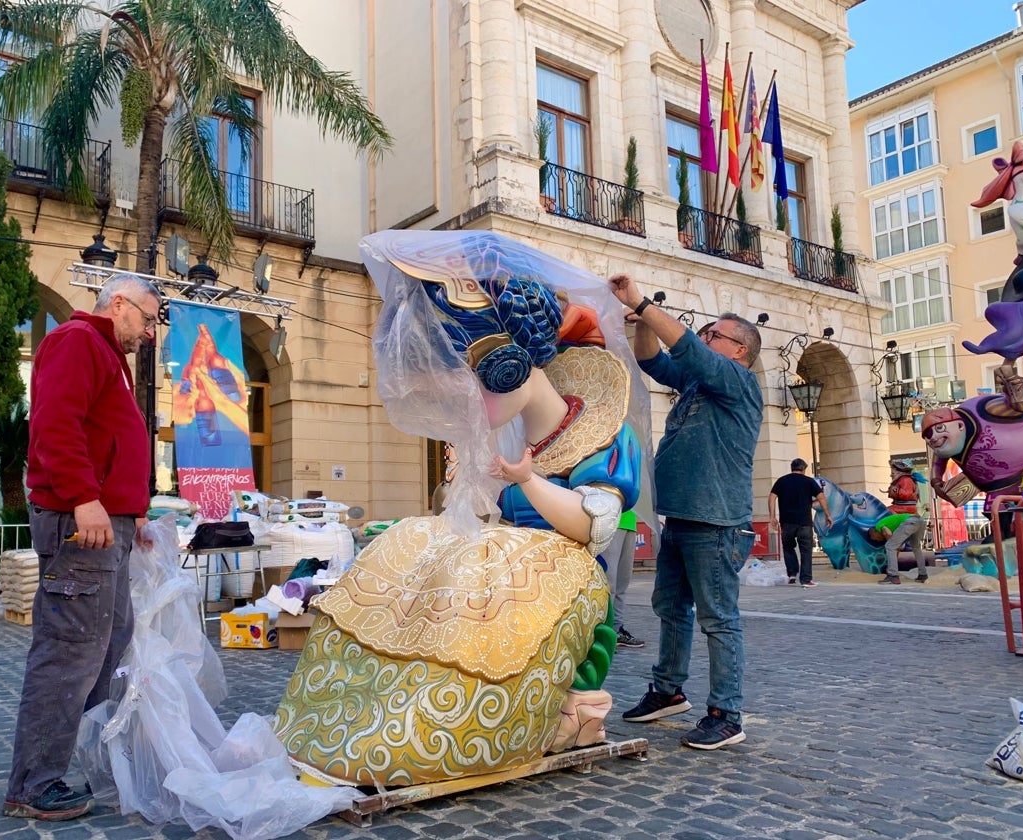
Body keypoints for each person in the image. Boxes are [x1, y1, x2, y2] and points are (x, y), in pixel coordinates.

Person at [274, 230, 647, 786]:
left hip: (564, 584)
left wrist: (529, 483)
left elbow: (596, 526)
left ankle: (474, 717)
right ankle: (372, 703)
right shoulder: (508, 437)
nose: (469, 400)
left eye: (475, 382)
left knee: (474, 597)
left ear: (511, 368)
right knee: (408, 545)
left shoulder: (600, 435)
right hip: (504, 571)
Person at [2, 274, 160, 822]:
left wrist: (130, 508)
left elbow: (102, 436)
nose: (150, 332)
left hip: (104, 524)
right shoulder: (77, 341)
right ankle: (33, 783)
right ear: (118, 304)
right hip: (82, 525)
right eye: (147, 318)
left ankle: (80, 758)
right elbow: (55, 426)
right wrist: (85, 498)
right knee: (70, 651)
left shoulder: (104, 353)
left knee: (107, 644)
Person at [610, 275, 762, 751]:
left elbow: (689, 350)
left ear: (738, 350)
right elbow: (652, 359)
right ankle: (668, 690)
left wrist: (640, 300)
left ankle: (726, 713)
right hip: (681, 517)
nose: (706, 338)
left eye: (715, 334)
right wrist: (640, 322)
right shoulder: (700, 385)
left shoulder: (736, 381)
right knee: (670, 608)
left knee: (718, 618)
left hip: (715, 521)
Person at [768, 458, 831, 588]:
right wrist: (827, 515)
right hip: (804, 522)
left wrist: (772, 516)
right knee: (806, 550)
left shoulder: (782, 481)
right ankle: (806, 580)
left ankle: (792, 574)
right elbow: (821, 497)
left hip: (787, 522)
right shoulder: (809, 481)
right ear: (803, 469)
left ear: (792, 468)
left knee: (788, 547)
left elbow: (772, 497)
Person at [603, 511, 646, 646]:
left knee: (623, 583)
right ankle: (603, 633)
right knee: (609, 585)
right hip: (610, 521)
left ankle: (617, 630)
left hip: (630, 523)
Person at [869, 512, 928, 585]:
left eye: (874, 538)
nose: (877, 540)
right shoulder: (890, 524)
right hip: (920, 521)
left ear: (874, 532)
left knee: (889, 546)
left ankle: (893, 576)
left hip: (910, 522)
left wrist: (892, 545)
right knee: (916, 547)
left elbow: (888, 533)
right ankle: (923, 575)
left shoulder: (878, 526)